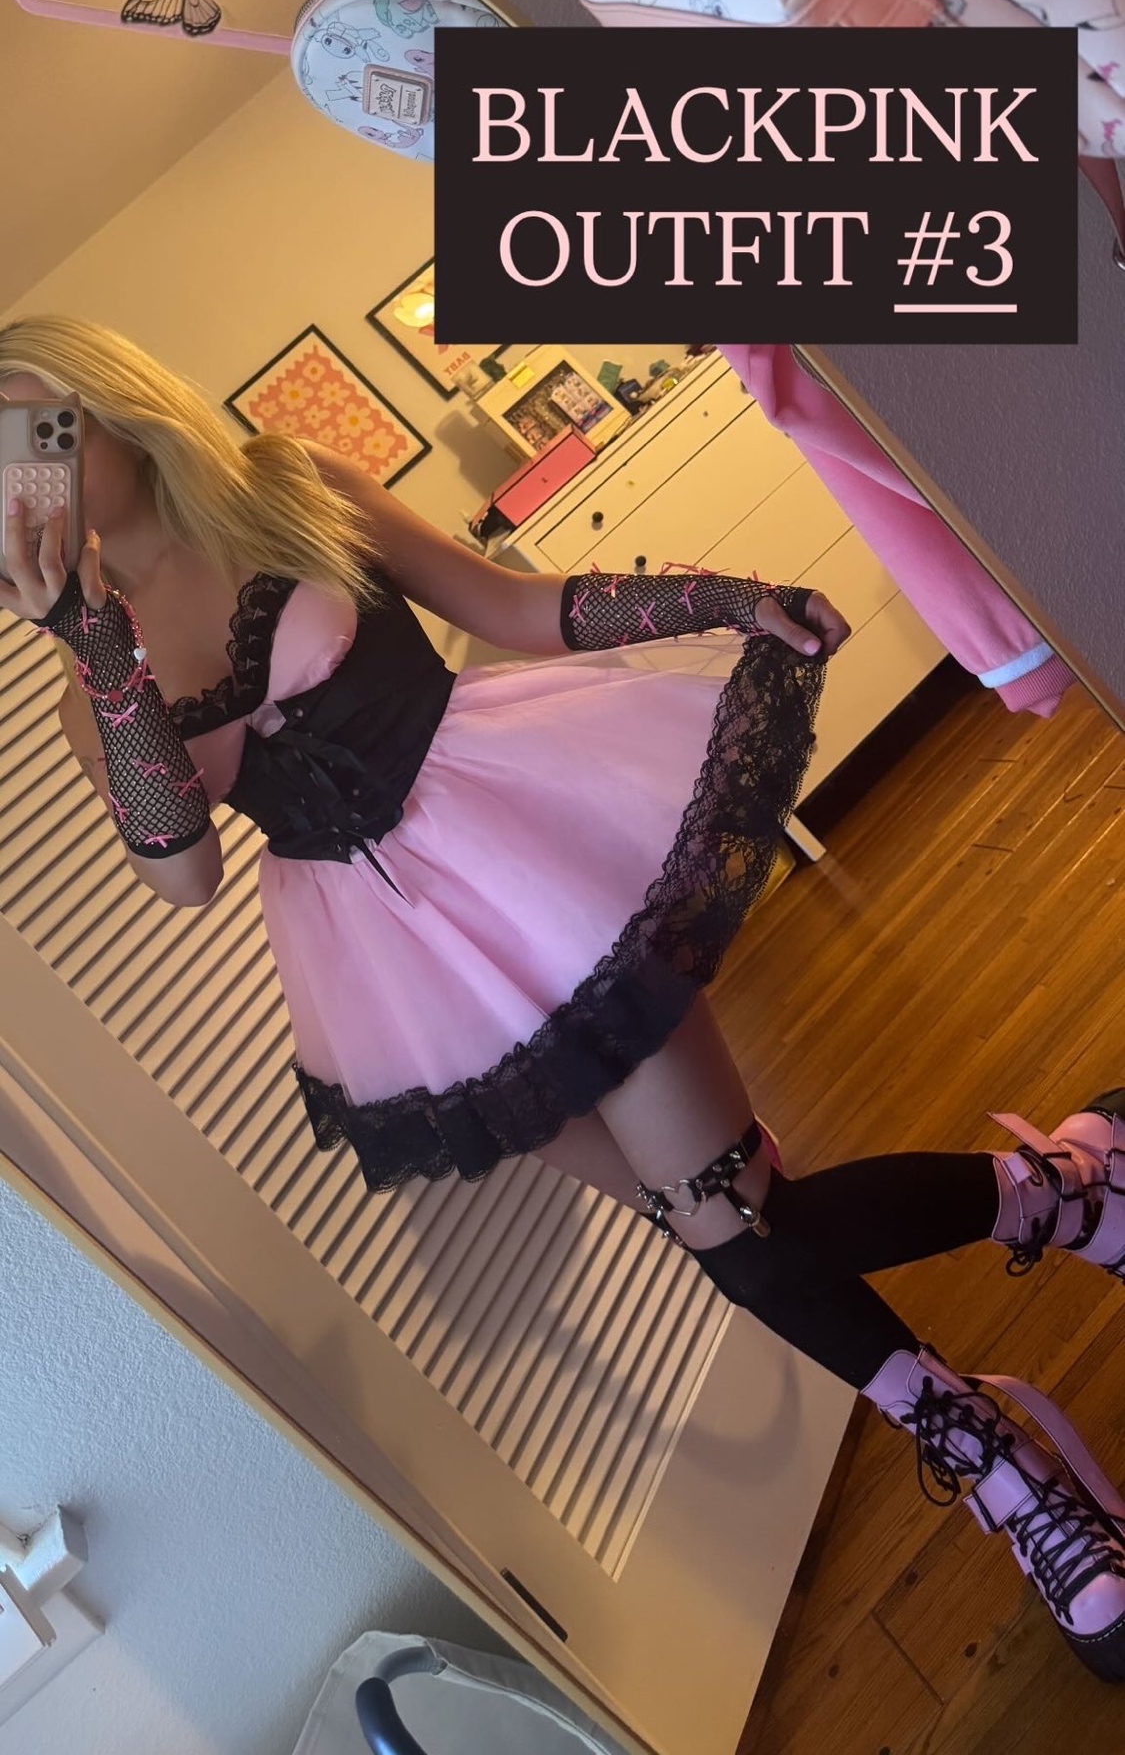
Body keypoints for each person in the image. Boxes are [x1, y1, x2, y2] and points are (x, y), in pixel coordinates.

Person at [4, 315, 1125, 1679]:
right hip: (402, 991)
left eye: (28, 425)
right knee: (734, 1223)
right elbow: (182, 877)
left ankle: (1003, 1426)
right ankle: (1066, 1203)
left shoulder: (285, 483)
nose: (19, 474)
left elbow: (511, 608)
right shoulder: (87, 693)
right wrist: (96, 646)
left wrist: (714, 600)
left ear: (104, 399)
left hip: (528, 855)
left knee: (732, 1224)